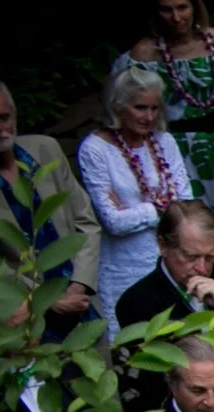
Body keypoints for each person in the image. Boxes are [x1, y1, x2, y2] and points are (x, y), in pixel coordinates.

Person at [119, 0, 214, 257]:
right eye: (166, 9)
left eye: (182, 7)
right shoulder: (144, 55)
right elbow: (122, 103)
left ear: (194, 6)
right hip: (179, 151)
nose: (176, 16)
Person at [115, 202, 214, 397]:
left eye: (210, 257)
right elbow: (153, 380)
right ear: (163, 245)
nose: (202, 268)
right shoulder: (136, 302)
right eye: (190, 257)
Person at [79, 65, 190, 329]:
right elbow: (113, 222)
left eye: (154, 108)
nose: (149, 116)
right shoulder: (95, 149)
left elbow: (186, 203)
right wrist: (161, 207)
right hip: (123, 267)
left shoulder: (164, 141)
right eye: (140, 108)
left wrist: (138, 209)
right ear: (117, 107)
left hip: (171, 260)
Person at [0, 84, 98, 338]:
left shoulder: (45, 149)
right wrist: (46, 299)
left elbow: (86, 222)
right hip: (23, 312)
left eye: (4, 118)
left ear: (15, 116)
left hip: (81, 300)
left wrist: (80, 284)